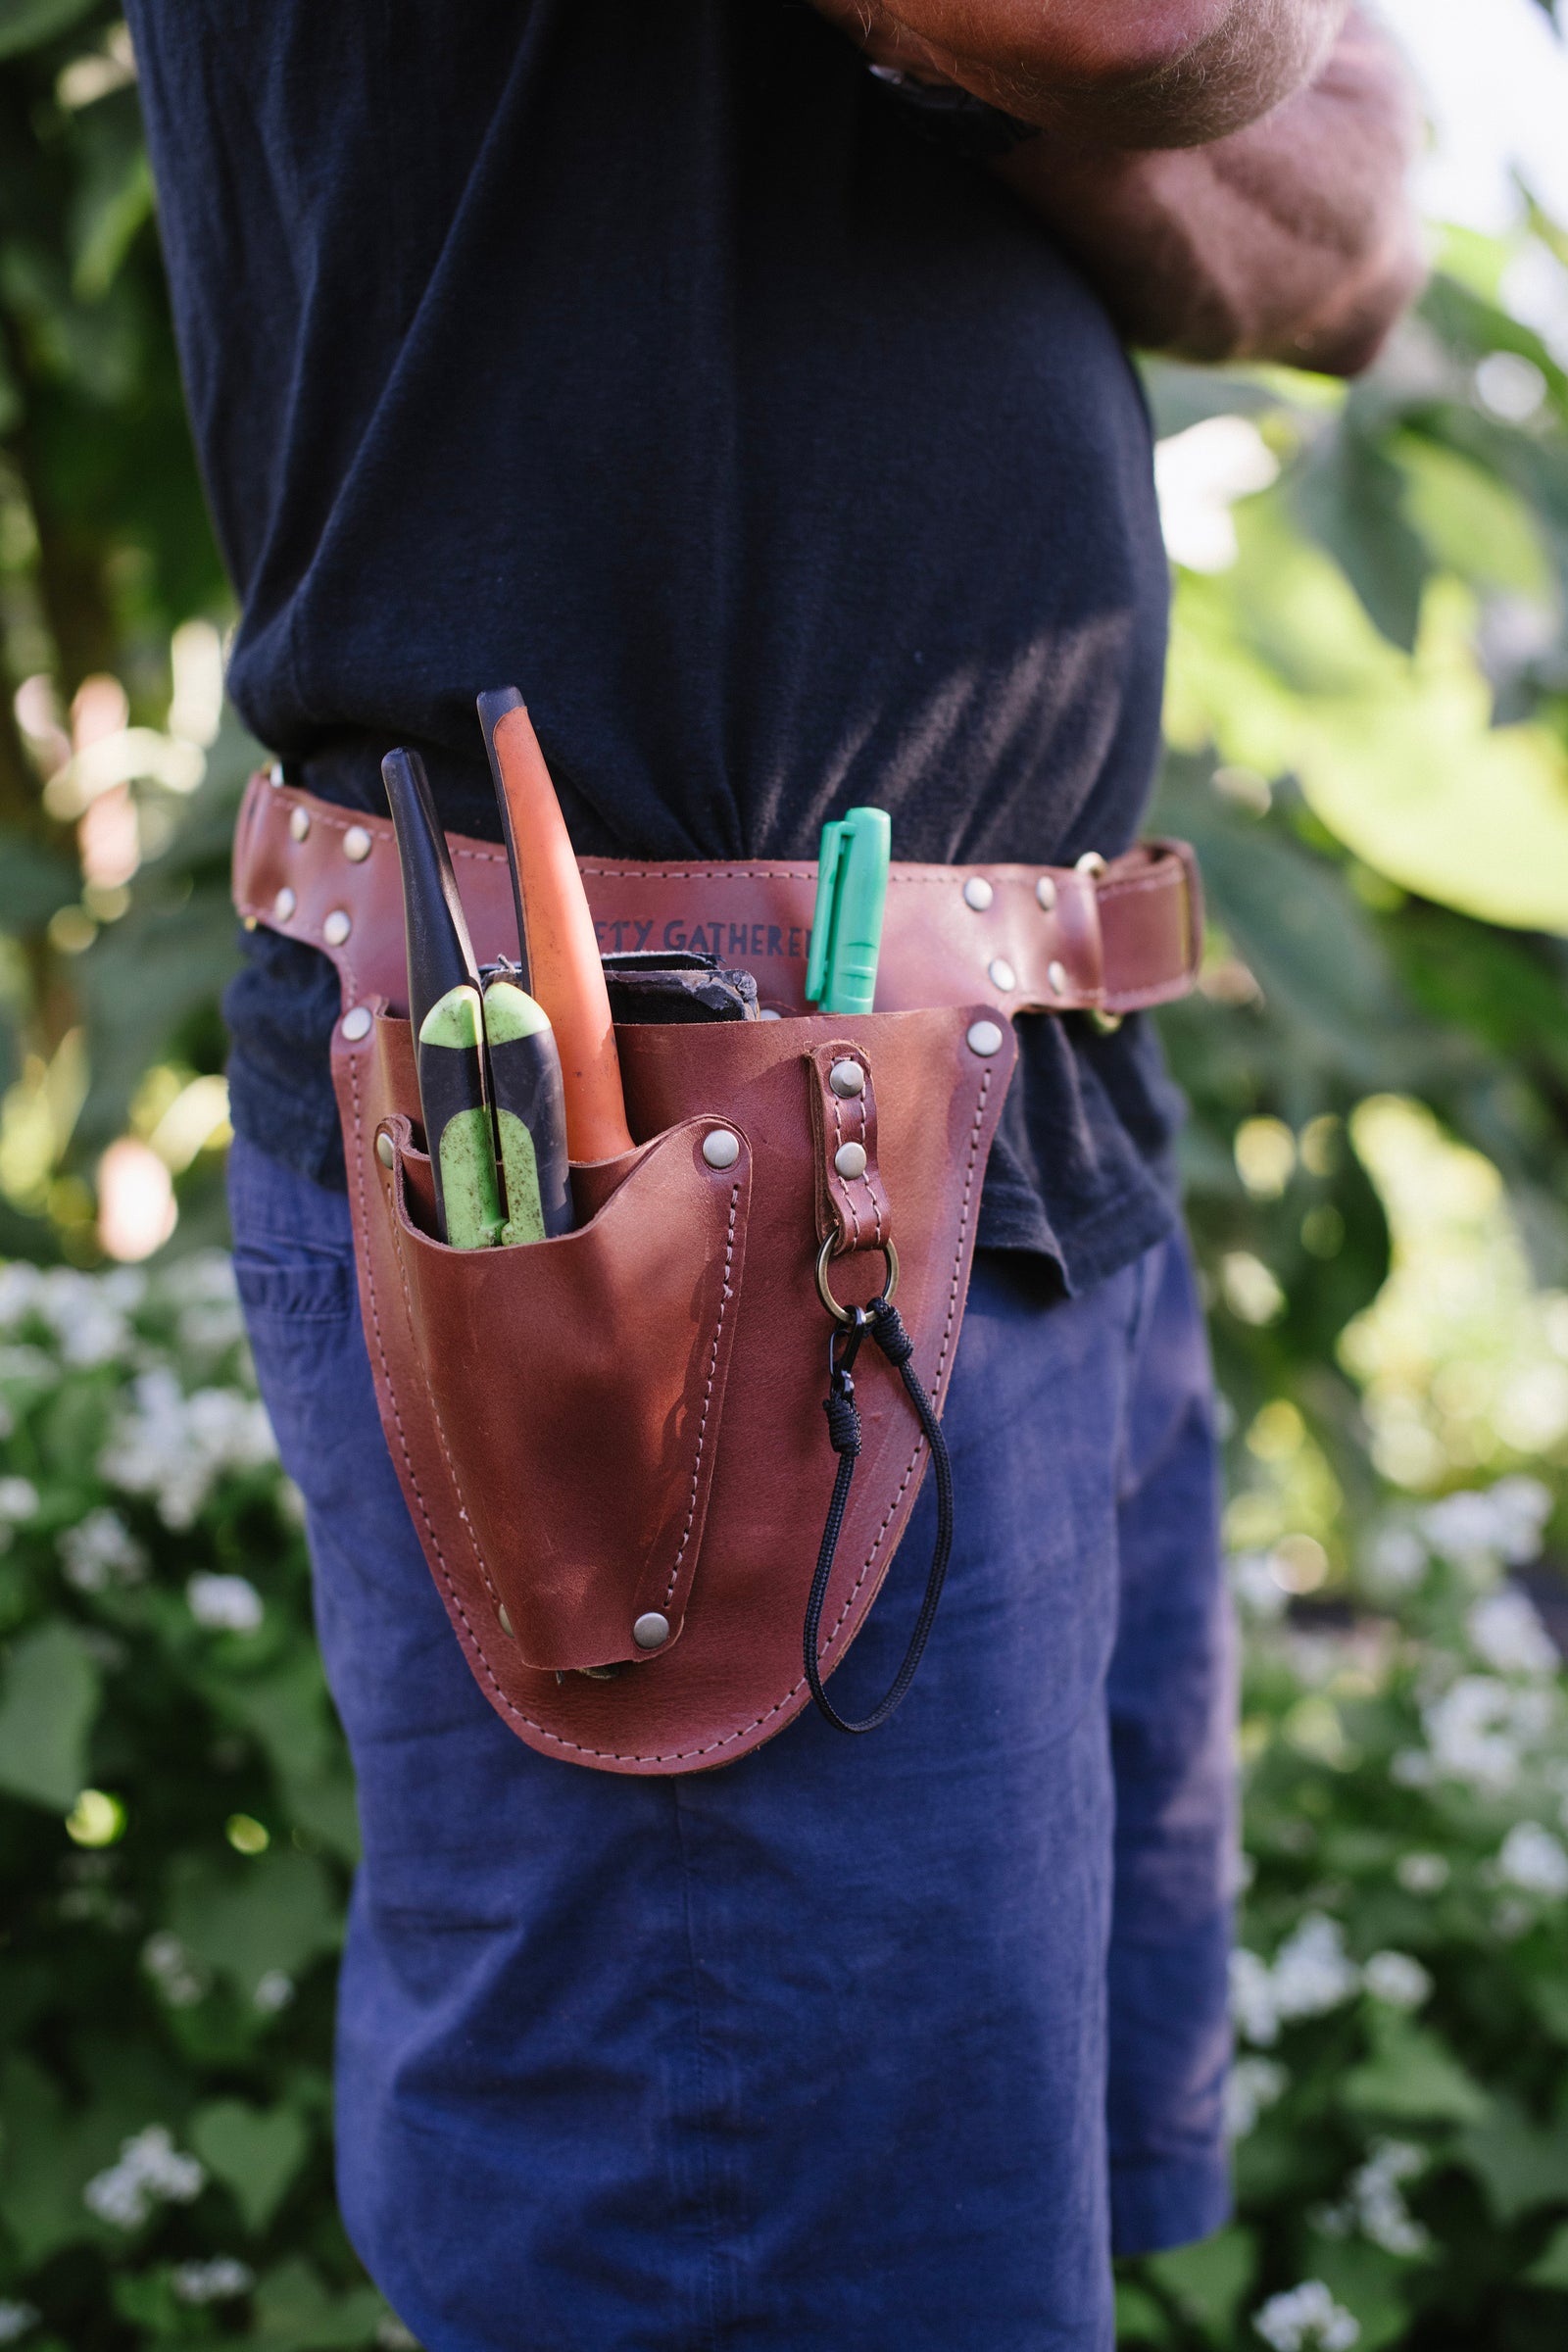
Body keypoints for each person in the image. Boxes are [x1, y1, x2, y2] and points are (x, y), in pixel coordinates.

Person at [125, 4, 1421, 2344]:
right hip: (663, 1170)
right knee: (755, 2267)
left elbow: (1343, 237)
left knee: (969, 2232)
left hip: (1005, 1108)